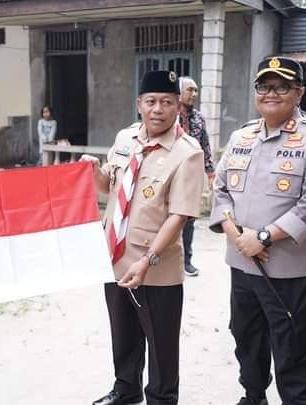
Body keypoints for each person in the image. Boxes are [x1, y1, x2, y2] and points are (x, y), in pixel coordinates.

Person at [210, 56, 306, 405]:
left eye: (281, 86)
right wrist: (237, 235)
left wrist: (262, 237)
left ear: (299, 93)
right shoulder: (241, 136)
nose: (271, 93)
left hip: (288, 271)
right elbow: (220, 190)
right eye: (264, 86)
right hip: (242, 264)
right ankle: (253, 396)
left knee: (291, 345)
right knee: (246, 337)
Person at [81, 70, 204, 405]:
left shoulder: (187, 152)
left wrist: (148, 260)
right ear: (139, 104)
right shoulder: (125, 140)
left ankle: (162, 398)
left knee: (161, 343)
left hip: (156, 266)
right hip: (115, 257)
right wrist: (93, 171)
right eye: (151, 101)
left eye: (167, 102)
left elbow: (180, 215)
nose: (158, 109)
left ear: (178, 106)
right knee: (123, 333)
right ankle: (126, 388)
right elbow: (108, 187)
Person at [177, 76, 214, 277]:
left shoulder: (199, 118)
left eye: (196, 90)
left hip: (192, 176)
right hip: (171, 175)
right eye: (190, 89)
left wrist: (210, 171)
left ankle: (187, 261)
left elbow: (205, 145)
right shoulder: (169, 116)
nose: (194, 94)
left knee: (189, 218)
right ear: (180, 92)